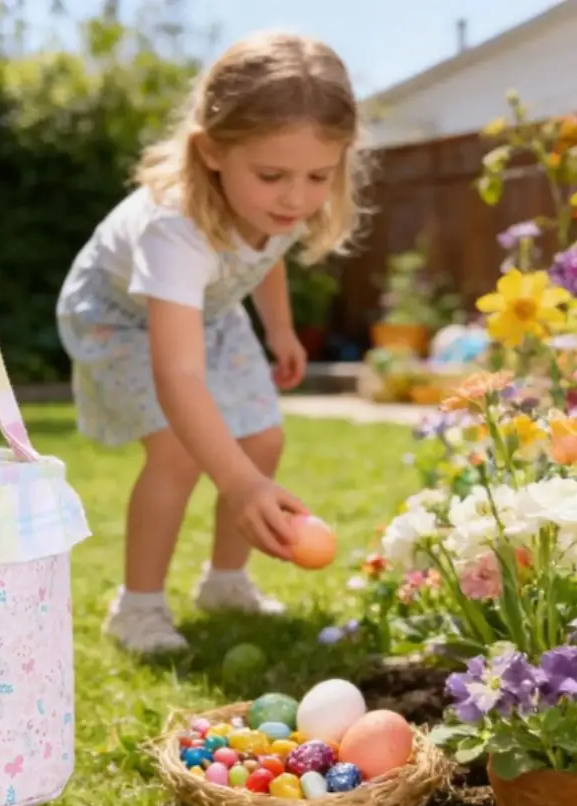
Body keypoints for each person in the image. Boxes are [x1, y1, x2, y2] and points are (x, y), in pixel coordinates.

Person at [56, 32, 366, 654]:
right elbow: (180, 377)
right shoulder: (176, 229)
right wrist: (240, 484)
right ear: (213, 151)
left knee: (263, 438)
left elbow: (267, 253)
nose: (297, 198)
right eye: (274, 174)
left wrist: (279, 328)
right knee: (178, 451)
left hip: (209, 310)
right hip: (118, 319)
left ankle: (225, 582)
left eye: (318, 176)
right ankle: (137, 607)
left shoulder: (276, 204)